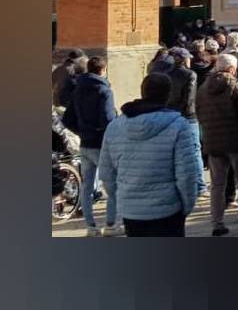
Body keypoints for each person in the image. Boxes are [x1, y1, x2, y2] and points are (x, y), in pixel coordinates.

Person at [97, 73, 202, 237]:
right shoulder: (179, 125)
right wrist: (187, 205)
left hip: (132, 210)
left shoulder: (115, 126)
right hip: (167, 208)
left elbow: (106, 172)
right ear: (168, 95)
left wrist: (121, 198)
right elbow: (187, 174)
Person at [195, 53, 238, 235]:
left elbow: (199, 113)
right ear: (232, 69)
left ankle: (217, 223)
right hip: (237, 140)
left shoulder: (203, 89)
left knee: (217, 184)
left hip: (213, 141)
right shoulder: (237, 87)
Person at [63, 56, 117, 235]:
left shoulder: (78, 88)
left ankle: (90, 226)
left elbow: (67, 118)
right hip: (101, 144)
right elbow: (109, 120)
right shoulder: (104, 91)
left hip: (85, 143)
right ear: (103, 70)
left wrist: (82, 131)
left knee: (87, 186)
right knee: (112, 186)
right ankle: (110, 224)